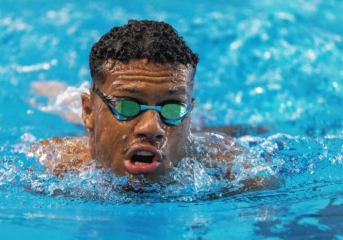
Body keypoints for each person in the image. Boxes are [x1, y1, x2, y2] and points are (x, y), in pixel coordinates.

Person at [30, 20, 272, 189]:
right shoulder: (56, 165)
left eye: (173, 106)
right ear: (88, 111)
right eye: (127, 105)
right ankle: (58, 94)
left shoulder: (230, 170)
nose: (152, 127)